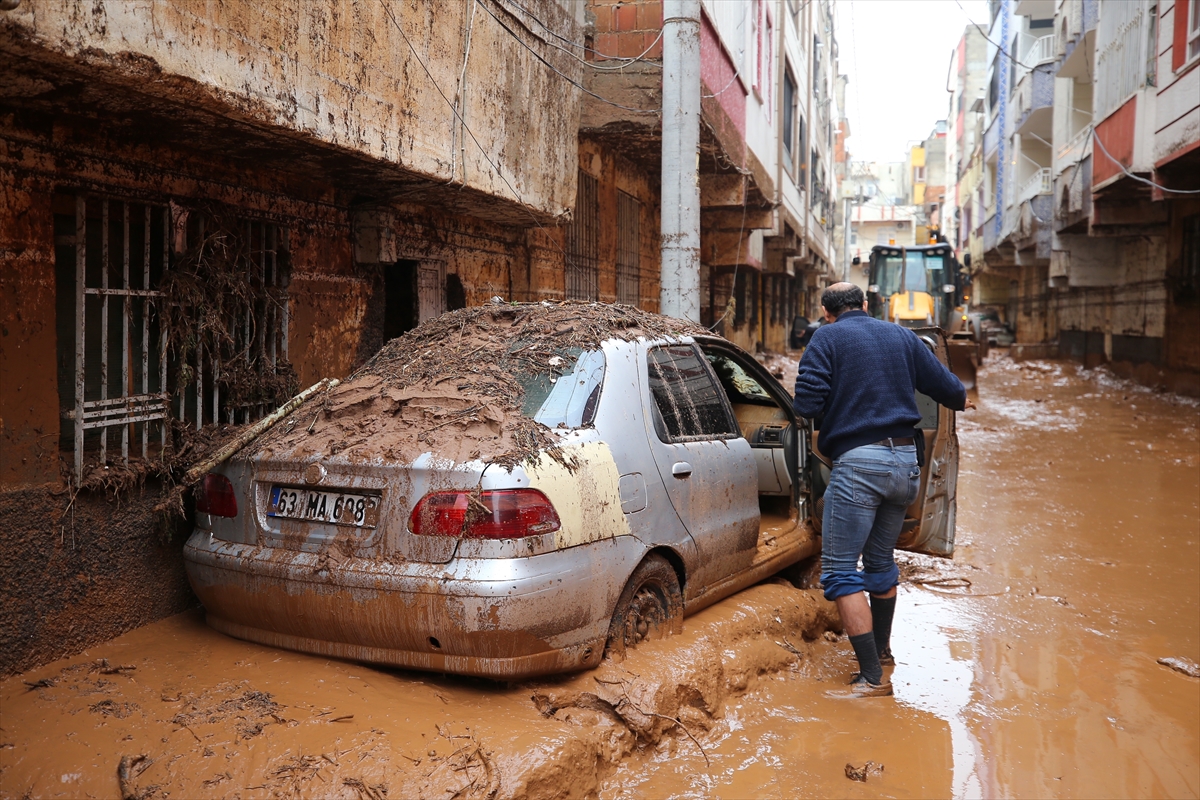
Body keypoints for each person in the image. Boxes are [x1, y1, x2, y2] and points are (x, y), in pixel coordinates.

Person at [793, 283, 973, 698]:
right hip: (906, 464)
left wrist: (841, 401)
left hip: (860, 465)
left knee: (840, 571)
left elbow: (806, 404)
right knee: (879, 563)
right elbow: (953, 393)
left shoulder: (826, 338)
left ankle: (871, 678)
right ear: (866, 304)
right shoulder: (902, 336)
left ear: (826, 312)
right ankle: (884, 652)